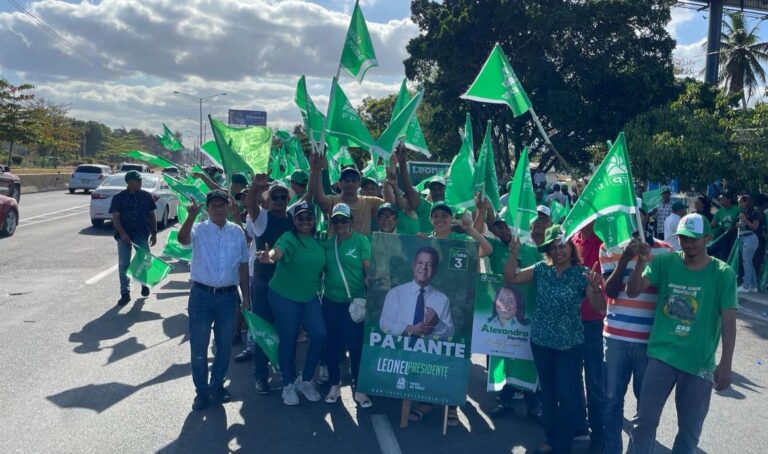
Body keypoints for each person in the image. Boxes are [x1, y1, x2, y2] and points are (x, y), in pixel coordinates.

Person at [625, 214, 737, 453]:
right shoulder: (665, 262)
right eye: (683, 238)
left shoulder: (722, 273)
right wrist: (640, 263)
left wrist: (726, 363)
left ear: (708, 238)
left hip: (698, 364)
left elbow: (729, 321)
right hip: (661, 356)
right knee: (643, 423)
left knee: (688, 431)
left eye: (693, 239)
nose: (687, 243)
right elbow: (633, 291)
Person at [505, 225, 606, 454]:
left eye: (562, 246)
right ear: (548, 252)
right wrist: (513, 254)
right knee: (548, 395)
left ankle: (564, 444)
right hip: (542, 343)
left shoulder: (582, 274)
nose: (559, 251)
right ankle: (550, 439)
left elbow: (600, 310)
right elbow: (510, 277)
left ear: (571, 248)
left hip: (570, 345)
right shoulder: (541, 270)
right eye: (553, 248)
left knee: (568, 397)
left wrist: (596, 289)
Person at [598, 207, 673, 454]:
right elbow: (610, 292)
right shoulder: (608, 248)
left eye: (636, 214)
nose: (632, 220)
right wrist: (624, 259)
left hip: (649, 341)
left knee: (646, 407)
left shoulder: (666, 251)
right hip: (616, 336)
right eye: (627, 215)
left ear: (645, 218)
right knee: (611, 401)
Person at [177, 190, 250, 411]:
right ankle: (201, 391)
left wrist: (246, 296)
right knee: (199, 346)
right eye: (214, 205)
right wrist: (190, 217)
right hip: (201, 296)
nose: (218, 208)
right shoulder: (199, 229)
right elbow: (182, 240)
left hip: (228, 297)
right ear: (207, 208)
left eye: (222, 204)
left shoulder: (237, 232)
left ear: (228, 207)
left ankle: (217, 385)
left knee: (224, 346)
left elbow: (244, 265)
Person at [257, 201, 327, 406]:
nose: (305, 221)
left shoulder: (319, 241)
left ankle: (305, 380)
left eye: (309, 218)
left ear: (314, 221)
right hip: (284, 295)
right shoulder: (288, 238)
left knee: (320, 335)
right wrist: (269, 256)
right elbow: (277, 251)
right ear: (294, 221)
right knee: (288, 339)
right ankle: (287, 383)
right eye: (300, 218)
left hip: (308, 297)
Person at [236, 175, 294, 394]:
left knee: (286, 331)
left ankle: (287, 373)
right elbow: (250, 204)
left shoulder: (292, 218)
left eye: (283, 197)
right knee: (262, 331)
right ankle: (261, 377)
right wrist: (255, 186)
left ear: (288, 200)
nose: (279, 200)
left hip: (287, 284)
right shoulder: (261, 219)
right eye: (275, 197)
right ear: (268, 199)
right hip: (264, 283)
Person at [322, 203, 372, 408]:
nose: (341, 224)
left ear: (351, 221)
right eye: (336, 220)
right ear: (332, 223)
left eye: (344, 220)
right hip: (331, 301)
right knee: (332, 344)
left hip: (355, 302)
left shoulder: (361, 241)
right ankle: (334, 384)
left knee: (355, 345)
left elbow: (368, 271)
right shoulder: (328, 244)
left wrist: (372, 283)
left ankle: (359, 386)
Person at [571, 221, 607, 450]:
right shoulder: (572, 239)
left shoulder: (604, 243)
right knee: (574, 378)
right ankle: (580, 425)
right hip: (571, 321)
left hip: (593, 321)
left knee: (595, 381)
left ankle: (599, 435)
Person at [379, 245, 453, 339]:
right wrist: (410, 329)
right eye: (420, 262)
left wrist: (437, 323)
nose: (424, 267)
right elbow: (384, 323)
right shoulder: (395, 293)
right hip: (397, 350)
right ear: (413, 265)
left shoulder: (443, 300)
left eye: (429, 264)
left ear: (435, 270)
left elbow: (450, 335)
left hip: (427, 352)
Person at [109, 170, 157, 305]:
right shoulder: (118, 198)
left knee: (144, 260)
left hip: (142, 233)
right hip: (123, 235)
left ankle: (144, 284)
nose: (140, 183)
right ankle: (125, 293)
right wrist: (123, 234)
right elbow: (116, 218)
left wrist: (154, 233)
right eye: (138, 181)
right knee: (124, 264)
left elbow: (151, 215)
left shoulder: (146, 196)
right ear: (129, 182)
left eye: (141, 181)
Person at [311, 153, 383, 236]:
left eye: (353, 180)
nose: (350, 183)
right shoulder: (333, 200)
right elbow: (318, 198)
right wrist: (317, 170)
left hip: (362, 248)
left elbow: (391, 204)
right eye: (346, 180)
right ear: (340, 184)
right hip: (337, 248)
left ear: (359, 184)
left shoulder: (369, 201)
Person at [737, 194, 761, 293]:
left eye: (741, 202)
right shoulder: (743, 212)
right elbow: (744, 225)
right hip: (743, 238)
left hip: (750, 238)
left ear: (747, 202)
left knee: (746, 262)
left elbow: (755, 227)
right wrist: (738, 224)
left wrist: (745, 220)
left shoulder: (754, 213)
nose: (740, 204)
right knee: (748, 262)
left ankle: (746, 286)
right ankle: (754, 286)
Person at [710, 192, 740, 262]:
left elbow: (741, 222)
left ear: (729, 200)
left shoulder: (737, 209)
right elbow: (713, 224)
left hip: (735, 235)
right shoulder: (719, 212)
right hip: (724, 234)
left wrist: (734, 227)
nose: (720, 201)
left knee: (733, 252)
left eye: (722, 199)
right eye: (719, 200)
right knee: (724, 252)